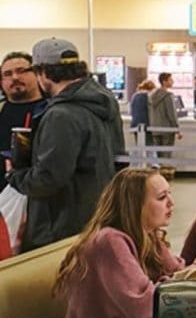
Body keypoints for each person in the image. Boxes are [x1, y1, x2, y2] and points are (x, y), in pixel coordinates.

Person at [56, 168, 196, 318]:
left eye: (169, 194)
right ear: (135, 206)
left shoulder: (150, 235)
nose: (171, 202)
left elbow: (178, 273)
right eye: (162, 197)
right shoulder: (109, 241)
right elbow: (144, 306)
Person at [7, 37, 125, 253]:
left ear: (42, 73)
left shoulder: (61, 115)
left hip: (60, 230)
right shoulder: (105, 103)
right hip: (97, 219)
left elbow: (48, 179)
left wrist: (15, 174)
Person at [0, 50, 48, 193]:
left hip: (36, 191)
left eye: (21, 71)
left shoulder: (51, 111)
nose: (15, 77)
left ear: (37, 74)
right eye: (7, 74)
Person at [148, 72, 181, 175]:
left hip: (155, 128)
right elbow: (171, 114)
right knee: (167, 153)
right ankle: (165, 175)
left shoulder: (151, 95)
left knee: (158, 153)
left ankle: (159, 174)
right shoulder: (168, 95)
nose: (173, 82)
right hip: (167, 128)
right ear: (164, 81)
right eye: (170, 80)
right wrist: (177, 129)